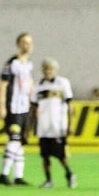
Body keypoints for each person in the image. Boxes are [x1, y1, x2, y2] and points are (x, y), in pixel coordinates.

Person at [31, 57, 76, 188]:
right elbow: (33, 107)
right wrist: (31, 126)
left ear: (55, 70)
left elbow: (69, 105)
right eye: (45, 68)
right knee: (44, 156)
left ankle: (69, 173)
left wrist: (70, 124)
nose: (47, 71)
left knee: (60, 155)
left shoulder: (62, 83)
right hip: (43, 127)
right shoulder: (38, 85)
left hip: (58, 126)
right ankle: (48, 180)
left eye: (50, 68)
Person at [0, 33, 34, 186]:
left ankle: (18, 176)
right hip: (13, 108)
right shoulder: (12, 63)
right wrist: (2, 106)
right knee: (14, 139)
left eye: (30, 43)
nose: (28, 45)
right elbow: (2, 85)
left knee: (21, 142)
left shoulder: (29, 64)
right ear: (18, 44)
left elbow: (29, 84)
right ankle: (3, 174)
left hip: (25, 108)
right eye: (24, 43)